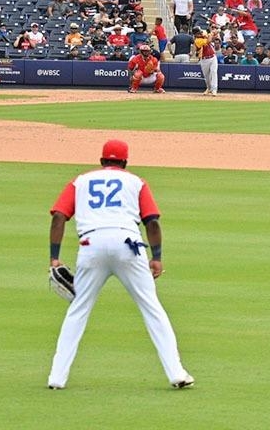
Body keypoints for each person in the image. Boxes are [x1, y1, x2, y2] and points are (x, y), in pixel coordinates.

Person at [46, 138, 193, 390]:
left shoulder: (80, 181)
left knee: (77, 310)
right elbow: (152, 222)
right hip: (128, 245)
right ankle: (176, 373)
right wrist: (156, 257)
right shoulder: (136, 182)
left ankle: (57, 378)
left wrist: (54, 257)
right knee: (152, 308)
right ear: (125, 162)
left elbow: (59, 216)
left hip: (90, 246)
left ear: (102, 160)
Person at [194, 26, 219, 95]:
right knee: (207, 76)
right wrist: (211, 34)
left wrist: (216, 31)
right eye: (199, 33)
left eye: (200, 32)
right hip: (204, 59)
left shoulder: (203, 33)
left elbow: (212, 37)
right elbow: (209, 41)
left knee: (214, 72)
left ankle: (214, 90)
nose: (201, 33)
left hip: (213, 57)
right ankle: (209, 88)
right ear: (196, 34)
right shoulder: (197, 41)